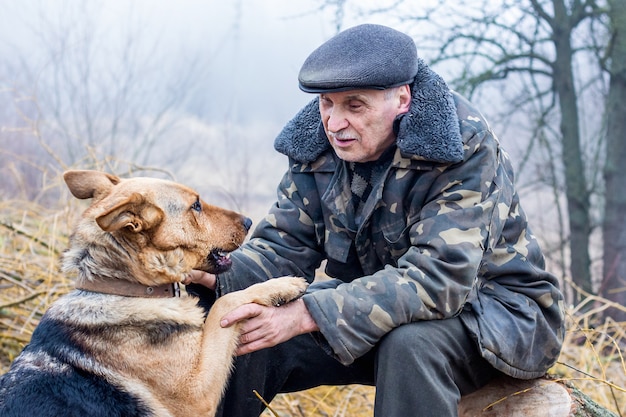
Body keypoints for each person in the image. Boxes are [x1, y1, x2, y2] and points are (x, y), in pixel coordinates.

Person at [186, 23, 565, 417]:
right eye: (327, 103)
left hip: (495, 317)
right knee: (241, 323)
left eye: (354, 105)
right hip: (373, 308)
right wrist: (214, 272)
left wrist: (308, 313)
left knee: (410, 344)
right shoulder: (317, 141)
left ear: (402, 98)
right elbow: (283, 246)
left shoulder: (460, 144)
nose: (333, 123)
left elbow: (440, 280)